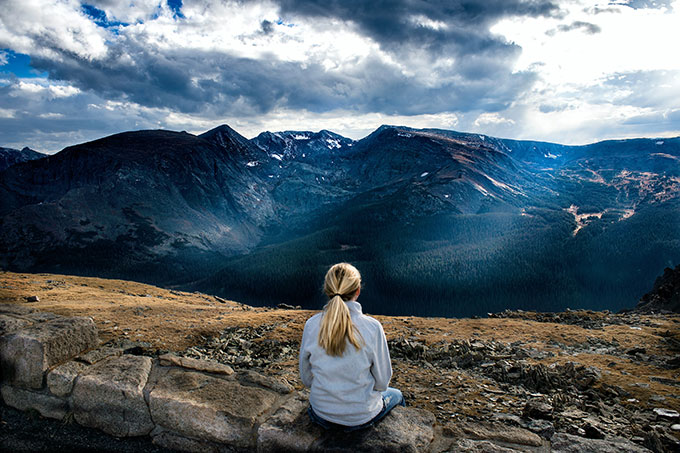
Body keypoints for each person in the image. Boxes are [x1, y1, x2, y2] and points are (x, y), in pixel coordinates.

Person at [299, 262, 405, 431]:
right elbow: (382, 383)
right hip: (361, 416)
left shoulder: (312, 325)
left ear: (327, 290)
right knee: (397, 395)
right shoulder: (372, 327)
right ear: (357, 291)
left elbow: (306, 379)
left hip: (321, 413)